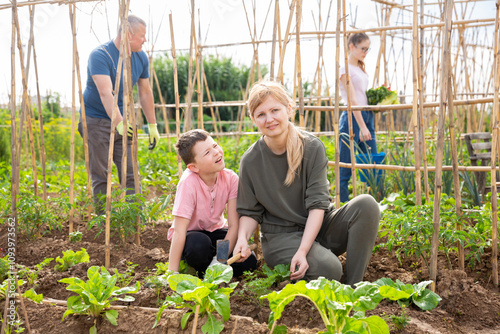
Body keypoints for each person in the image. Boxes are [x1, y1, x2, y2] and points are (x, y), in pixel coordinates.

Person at [233, 81, 380, 286]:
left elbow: (317, 205)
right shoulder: (251, 160)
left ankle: (354, 287)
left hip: (318, 226)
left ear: (289, 109)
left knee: (367, 205)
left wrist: (303, 251)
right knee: (330, 269)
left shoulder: (311, 147)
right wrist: (242, 239)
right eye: (261, 114)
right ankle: (300, 276)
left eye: (275, 110)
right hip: (280, 237)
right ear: (254, 119)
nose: (270, 119)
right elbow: (250, 211)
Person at [77, 14, 160, 210]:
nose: (145, 40)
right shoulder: (100, 55)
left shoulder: (140, 57)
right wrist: (120, 123)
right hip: (95, 120)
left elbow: (145, 91)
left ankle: (133, 218)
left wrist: (153, 125)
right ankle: (103, 220)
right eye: (141, 35)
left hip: (122, 119)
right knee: (101, 174)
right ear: (127, 35)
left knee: (131, 172)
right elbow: (106, 93)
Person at [167, 129, 257, 277]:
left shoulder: (231, 179)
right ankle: (203, 269)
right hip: (192, 235)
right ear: (194, 167)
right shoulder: (188, 182)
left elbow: (234, 225)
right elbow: (179, 231)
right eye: (207, 153)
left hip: (217, 232)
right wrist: (172, 272)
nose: (216, 152)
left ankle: (213, 264)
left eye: (214, 146)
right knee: (198, 246)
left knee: (248, 263)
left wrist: (219, 259)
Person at [338, 32, 378, 203]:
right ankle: (343, 208)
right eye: (363, 48)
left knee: (372, 165)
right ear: (351, 46)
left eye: (368, 49)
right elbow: (352, 99)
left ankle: (374, 208)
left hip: (365, 116)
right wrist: (362, 126)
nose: (365, 52)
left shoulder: (360, 68)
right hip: (352, 119)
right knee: (345, 167)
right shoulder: (344, 70)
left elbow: (362, 96)